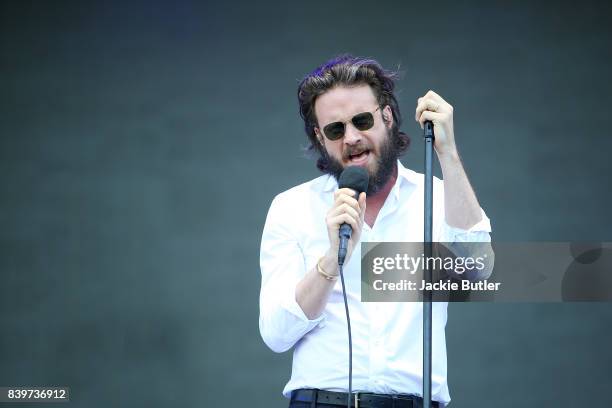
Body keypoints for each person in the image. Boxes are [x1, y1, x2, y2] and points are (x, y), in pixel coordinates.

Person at [259, 55, 493, 408]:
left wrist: (447, 152)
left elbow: (478, 272)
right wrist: (330, 263)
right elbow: (276, 335)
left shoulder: (438, 197)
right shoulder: (292, 207)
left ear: (387, 117)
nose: (351, 138)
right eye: (336, 129)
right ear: (320, 138)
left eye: (362, 121)